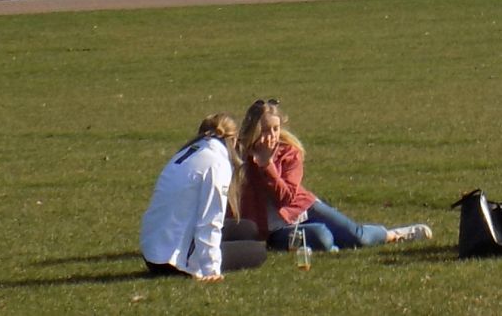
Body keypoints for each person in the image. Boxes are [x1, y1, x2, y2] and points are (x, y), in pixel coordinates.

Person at [229, 99, 431, 252]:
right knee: (323, 239)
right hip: (275, 229)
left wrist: (268, 166)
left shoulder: (289, 152)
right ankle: (328, 245)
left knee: (358, 238)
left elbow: (286, 197)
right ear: (253, 131)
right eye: (265, 130)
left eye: (275, 129)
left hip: (302, 208)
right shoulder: (239, 159)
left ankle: (394, 235)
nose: (271, 136)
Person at [139, 113, 267, 280]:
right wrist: (211, 270)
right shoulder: (217, 164)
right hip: (170, 261)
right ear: (234, 140)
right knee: (258, 252)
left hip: (153, 250)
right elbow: (209, 221)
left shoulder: (190, 152)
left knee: (248, 228)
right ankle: (194, 261)